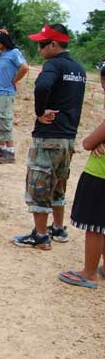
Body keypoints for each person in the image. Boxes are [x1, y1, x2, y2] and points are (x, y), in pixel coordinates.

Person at [12, 24, 87, 249]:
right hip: (68, 137)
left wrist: (39, 111)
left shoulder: (53, 64)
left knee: (40, 184)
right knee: (59, 184)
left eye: (42, 44)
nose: (39, 48)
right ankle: (58, 228)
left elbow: (42, 86)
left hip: (49, 136)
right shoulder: (79, 69)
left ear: (54, 44)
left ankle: (40, 235)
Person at [58, 67, 105, 289]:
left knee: (94, 226)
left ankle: (89, 273)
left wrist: (96, 142)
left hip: (100, 174)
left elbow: (87, 143)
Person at [0, 30, 29, 164]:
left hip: (5, 93)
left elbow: (24, 67)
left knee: (4, 120)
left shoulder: (14, 53)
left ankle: (10, 152)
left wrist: (15, 80)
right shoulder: (2, 54)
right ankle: (2, 148)